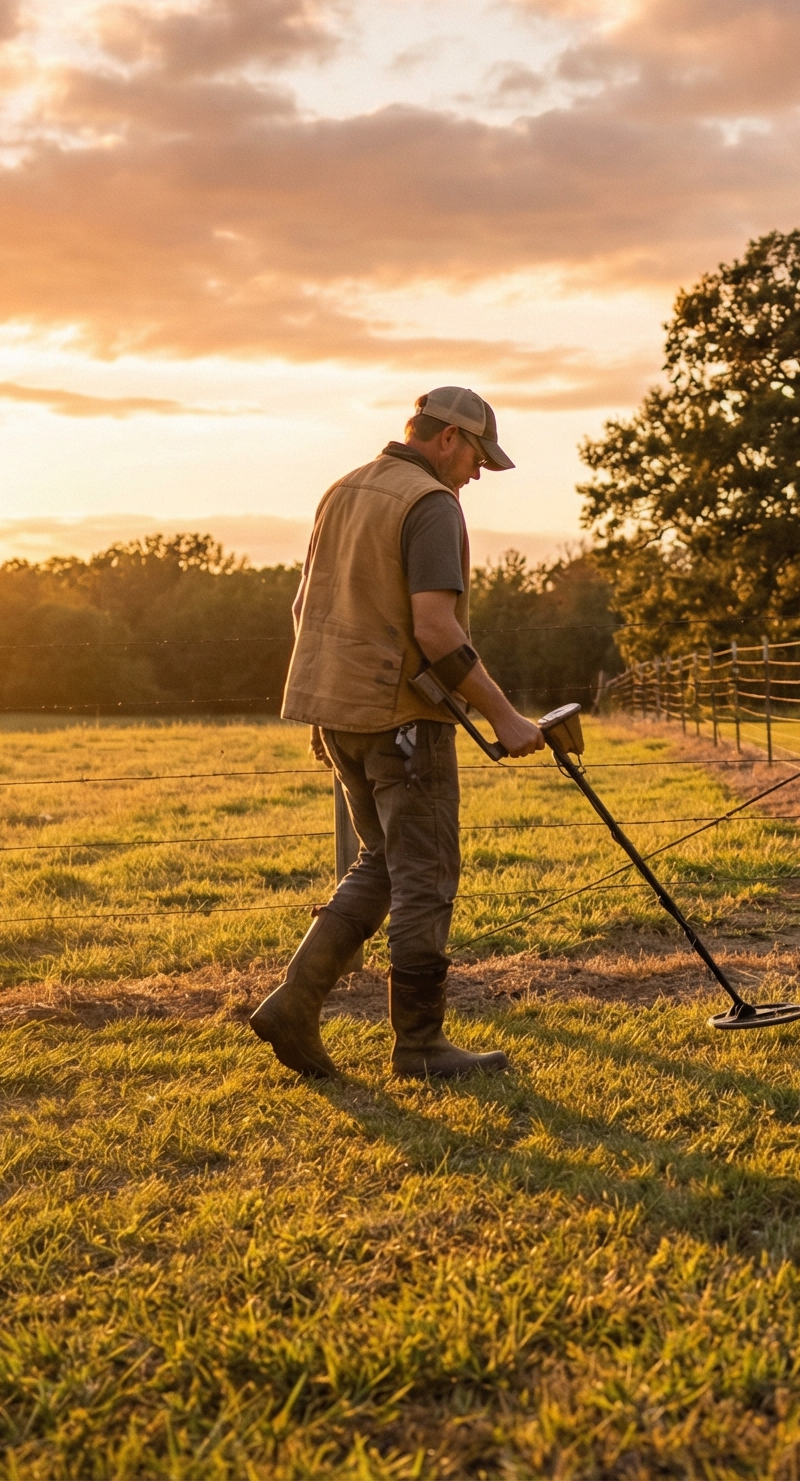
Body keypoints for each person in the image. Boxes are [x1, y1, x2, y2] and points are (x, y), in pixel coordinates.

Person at [249, 386, 546, 1080]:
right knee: (425, 878)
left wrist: (331, 696)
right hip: (403, 721)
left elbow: (304, 607)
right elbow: (436, 629)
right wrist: (505, 716)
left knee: (379, 864)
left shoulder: (343, 490)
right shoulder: (430, 504)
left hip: (338, 711)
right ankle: (419, 1044)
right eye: (477, 457)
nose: (477, 474)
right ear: (448, 439)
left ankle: (294, 1003)